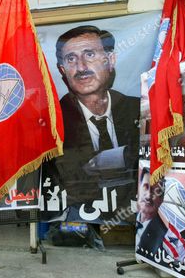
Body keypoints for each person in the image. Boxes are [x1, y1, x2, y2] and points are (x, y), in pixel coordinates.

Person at [52, 25, 139, 222]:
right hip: (80, 215)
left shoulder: (138, 109)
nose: (81, 67)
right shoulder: (53, 123)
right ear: (62, 70)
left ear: (110, 60)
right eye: (71, 59)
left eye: (89, 54)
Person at [135, 168, 167, 256]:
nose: (148, 195)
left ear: (161, 199)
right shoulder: (134, 216)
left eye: (154, 190)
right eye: (145, 187)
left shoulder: (164, 235)